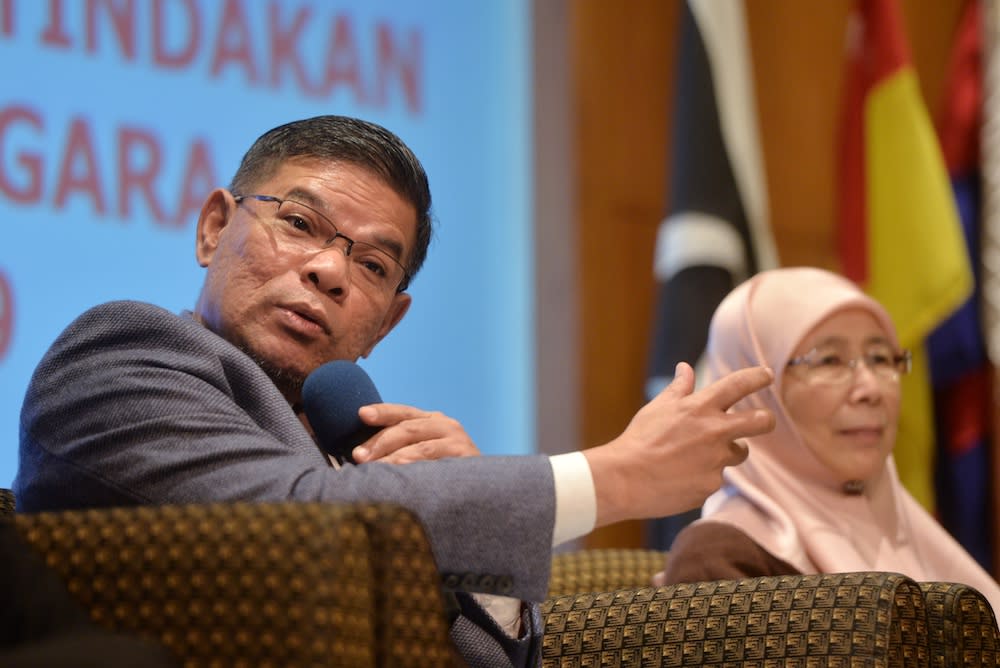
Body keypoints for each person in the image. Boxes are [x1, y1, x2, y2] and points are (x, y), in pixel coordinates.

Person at [14, 115, 775, 666]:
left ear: (389, 320)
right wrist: (609, 478)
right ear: (215, 226)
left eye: (374, 266)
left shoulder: (354, 448)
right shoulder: (124, 354)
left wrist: (483, 566)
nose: (330, 271)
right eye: (300, 223)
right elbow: (299, 528)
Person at [653, 266, 1000, 613]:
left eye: (881, 358)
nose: (871, 389)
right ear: (757, 392)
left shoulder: (907, 527)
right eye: (830, 360)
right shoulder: (719, 562)